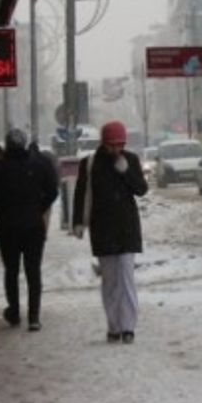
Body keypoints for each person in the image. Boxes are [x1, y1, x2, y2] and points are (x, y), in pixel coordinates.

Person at [71, 121, 148, 344]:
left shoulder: (130, 160)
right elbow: (81, 194)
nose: (116, 149)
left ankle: (128, 327)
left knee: (127, 279)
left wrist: (127, 172)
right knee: (110, 281)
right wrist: (78, 222)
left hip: (127, 228)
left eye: (120, 145)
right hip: (102, 229)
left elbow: (141, 190)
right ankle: (113, 326)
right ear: (103, 143)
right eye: (112, 145)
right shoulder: (90, 164)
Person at [0, 129, 59, 331]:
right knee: (33, 272)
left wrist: (2, 214)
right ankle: (34, 316)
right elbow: (53, 190)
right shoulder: (39, 164)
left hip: (9, 228)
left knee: (11, 271)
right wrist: (39, 208)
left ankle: (14, 312)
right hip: (34, 226)